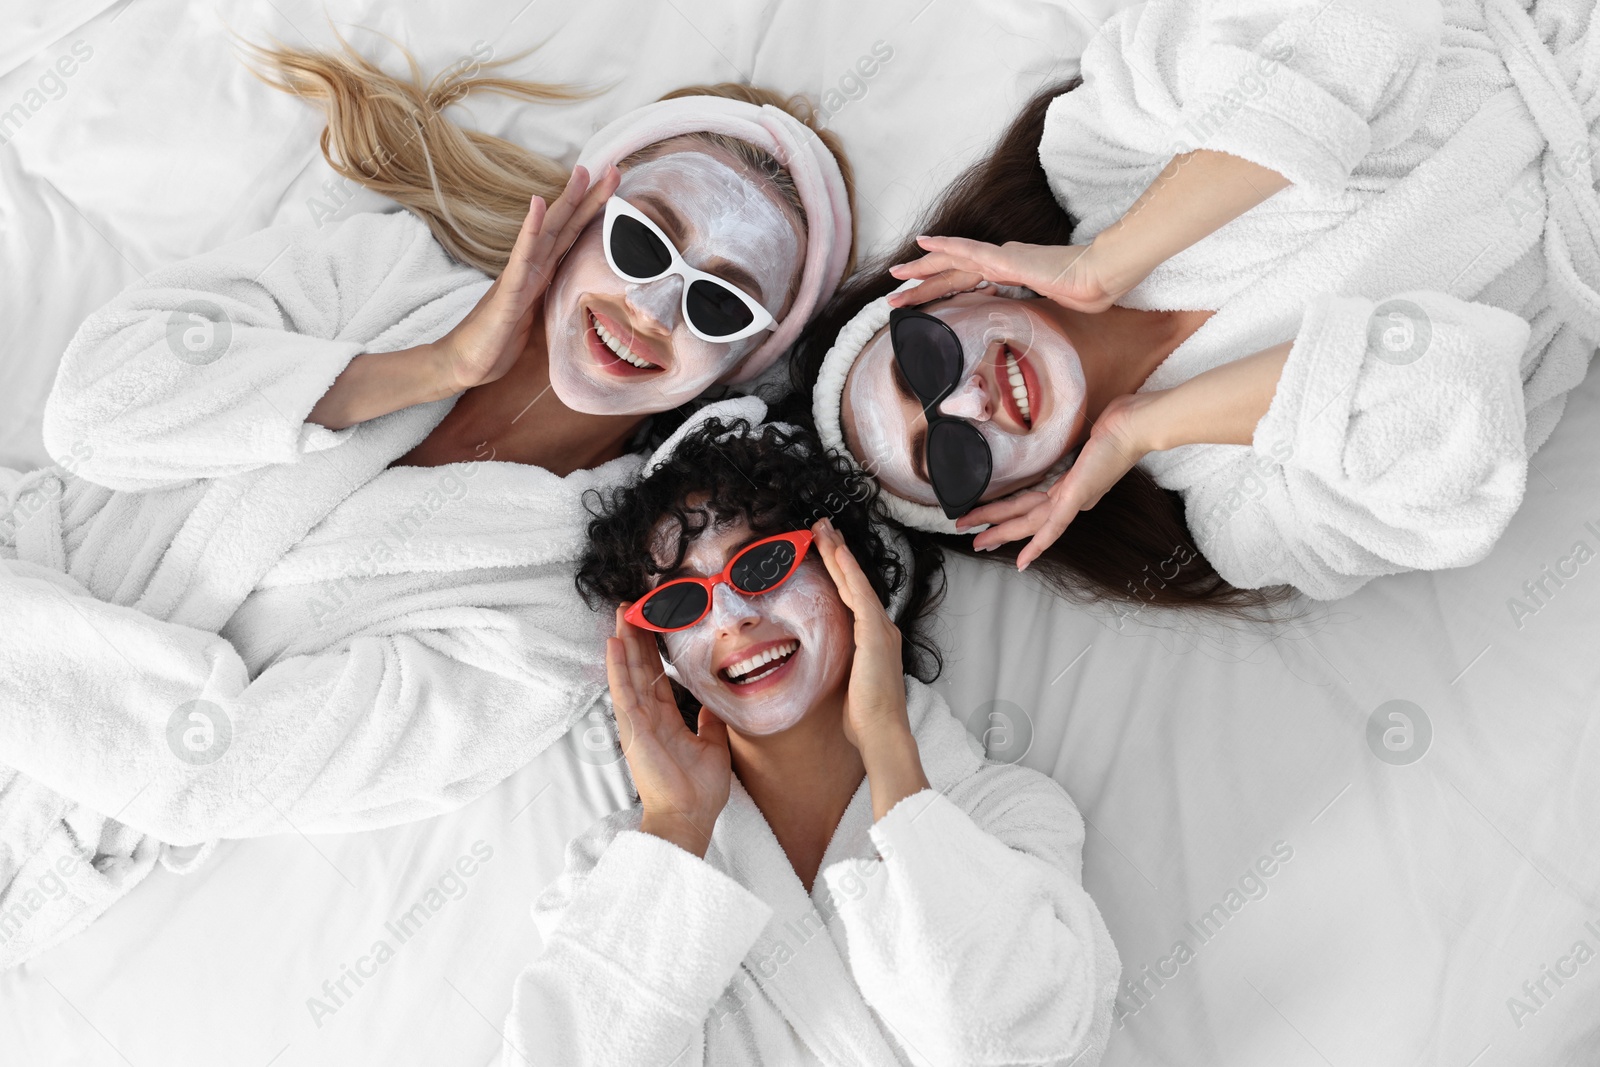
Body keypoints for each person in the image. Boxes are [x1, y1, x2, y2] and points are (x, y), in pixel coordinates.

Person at [0, 37, 854, 969]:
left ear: (742, 369)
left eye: (720, 305)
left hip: (39, 818)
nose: (652, 307)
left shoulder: (563, 613)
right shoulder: (378, 274)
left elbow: (212, 767)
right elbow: (91, 413)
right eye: (640, 241)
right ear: (580, 215)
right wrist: (429, 367)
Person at [804, 0, 1600, 605]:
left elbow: (1372, 25)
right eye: (949, 456)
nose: (970, 400)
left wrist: (1108, 260)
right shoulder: (1245, 518)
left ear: (951, 288)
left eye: (924, 362)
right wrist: (1140, 427)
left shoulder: (1100, 142)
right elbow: (1464, 393)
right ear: (1009, 503)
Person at [498, 402, 1120, 1066]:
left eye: (762, 565)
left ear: (850, 574)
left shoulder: (1008, 815)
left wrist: (892, 755)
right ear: (664, 655)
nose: (732, 619)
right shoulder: (624, 869)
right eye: (683, 602)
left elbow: (1013, 1042)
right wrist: (677, 825)